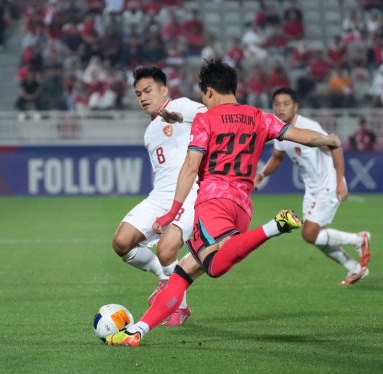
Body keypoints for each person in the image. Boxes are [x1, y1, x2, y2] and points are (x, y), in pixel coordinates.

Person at [105, 58, 342, 346]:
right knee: (181, 274)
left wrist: (173, 212)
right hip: (242, 207)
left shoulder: (206, 118)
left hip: (213, 201)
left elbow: (191, 168)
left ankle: (274, 227)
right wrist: (327, 139)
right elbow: (300, 136)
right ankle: (137, 331)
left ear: (208, 93)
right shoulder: (260, 116)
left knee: (214, 265)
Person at [111, 66, 206, 327]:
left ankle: (180, 306)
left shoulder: (181, 106)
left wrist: (183, 119)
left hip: (189, 194)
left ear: (164, 90)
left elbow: (212, 117)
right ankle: (164, 280)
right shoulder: (149, 131)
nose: (142, 97)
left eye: (148, 90)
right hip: (160, 195)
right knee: (121, 243)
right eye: (138, 93)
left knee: (167, 249)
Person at [255, 88, 371, 286]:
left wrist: (340, 180)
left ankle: (359, 239)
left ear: (295, 106)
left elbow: (335, 146)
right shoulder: (280, 131)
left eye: (286, 103)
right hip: (312, 190)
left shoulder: (308, 127)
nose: (281, 108)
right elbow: (277, 157)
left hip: (327, 185)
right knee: (318, 237)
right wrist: (262, 174)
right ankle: (355, 268)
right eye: (277, 104)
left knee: (309, 234)